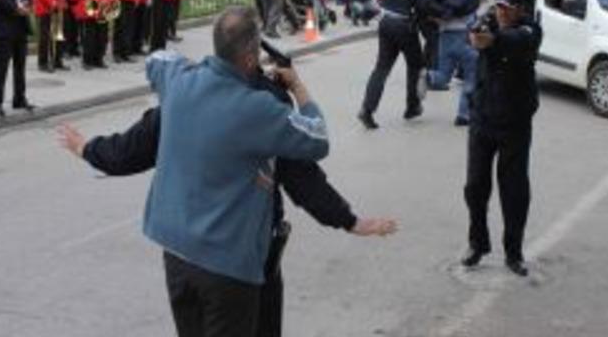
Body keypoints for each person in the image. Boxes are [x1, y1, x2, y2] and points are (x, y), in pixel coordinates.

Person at [56, 73, 397, 337]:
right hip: (239, 260)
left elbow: (129, 150)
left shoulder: (184, 94)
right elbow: (302, 173)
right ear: (251, 56)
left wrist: (87, 148)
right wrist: (350, 221)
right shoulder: (265, 104)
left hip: (182, 256)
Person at [142, 6, 333, 336]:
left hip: (176, 253)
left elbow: (156, 58)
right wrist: (297, 86)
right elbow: (317, 138)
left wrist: (201, 69)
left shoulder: (179, 81)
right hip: (225, 264)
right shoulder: (258, 108)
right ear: (249, 58)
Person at [462, 0, 542, 277]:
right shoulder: (491, 22)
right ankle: (477, 243)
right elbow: (472, 32)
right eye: (499, 7)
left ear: (520, 9)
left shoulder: (530, 30)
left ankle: (514, 252)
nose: (502, 12)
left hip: (515, 123)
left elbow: (513, 41)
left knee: (514, 191)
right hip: (483, 118)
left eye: (508, 7)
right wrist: (478, 25)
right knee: (474, 187)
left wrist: (490, 39)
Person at [357, 0, 440, 130]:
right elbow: (423, 2)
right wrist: (441, 13)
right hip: (403, 24)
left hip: (386, 22)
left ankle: (367, 110)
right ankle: (412, 106)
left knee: (381, 68)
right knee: (416, 65)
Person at [426, 0, 482, 127]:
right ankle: (463, 115)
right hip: (464, 35)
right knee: (472, 74)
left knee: (443, 76)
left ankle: (425, 76)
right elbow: (482, 11)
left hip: (444, 33)